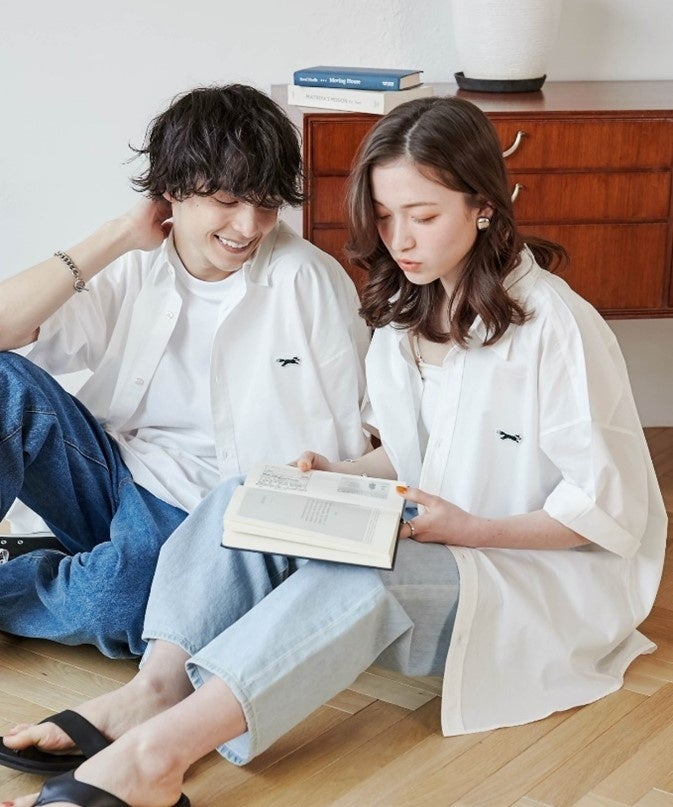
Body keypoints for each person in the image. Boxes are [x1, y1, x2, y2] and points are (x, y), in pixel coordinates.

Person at [1, 95, 666, 807]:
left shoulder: (558, 327)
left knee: (364, 579)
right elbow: (412, 453)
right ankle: (153, 692)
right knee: (245, 494)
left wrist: (469, 528)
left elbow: (606, 511)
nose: (400, 239)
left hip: (525, 579)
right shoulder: (410, 312)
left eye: (422, 216)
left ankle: (154, 757)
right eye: (384, 216)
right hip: (431, 539)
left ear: (483, 206)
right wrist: (335, 473)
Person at [0, 84, 369, 659]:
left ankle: (60, 577)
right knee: (5, 386)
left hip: (218, 520)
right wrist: (119, 235)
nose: (249, 226)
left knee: (115, 603)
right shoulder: (136, 264)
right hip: (118, 477)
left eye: (267, 204)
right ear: (172, 190)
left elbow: (357, 427)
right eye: (227, 200)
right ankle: (94, 570)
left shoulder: (307, 280)